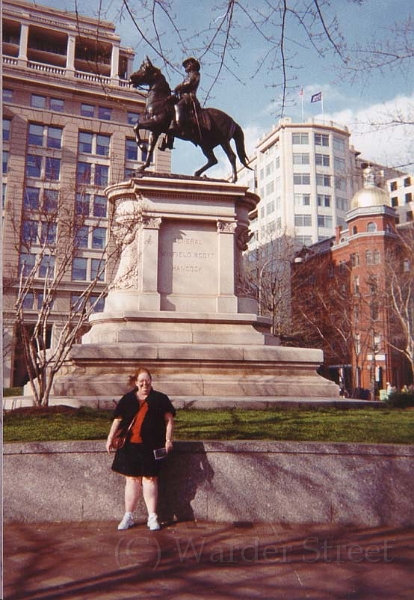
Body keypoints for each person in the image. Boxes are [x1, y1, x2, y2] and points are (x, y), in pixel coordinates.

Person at [106, 367, 175, 531]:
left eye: (147, 380)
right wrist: (110, 438)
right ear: (136, 382)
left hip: (152, 445)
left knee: (150, 479)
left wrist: (168, 440)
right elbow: (117, 420)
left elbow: (169, 420)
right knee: (132, 479)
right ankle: (128, 515)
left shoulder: (160, 399)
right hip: (130, 446)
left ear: (151, 380)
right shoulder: (127, 399)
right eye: (141, 381)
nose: (144, 383)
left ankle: (152, 516)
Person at [167, 57, 201, 142]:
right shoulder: (188, 75)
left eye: (187, 65)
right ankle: (170, 137)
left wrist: (179, 87)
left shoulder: (195, 74)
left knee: (178, 106)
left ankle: (179, 126)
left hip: (189, 97)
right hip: (182, 96)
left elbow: (188, 84)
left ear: (192, 65)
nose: (186, 66)